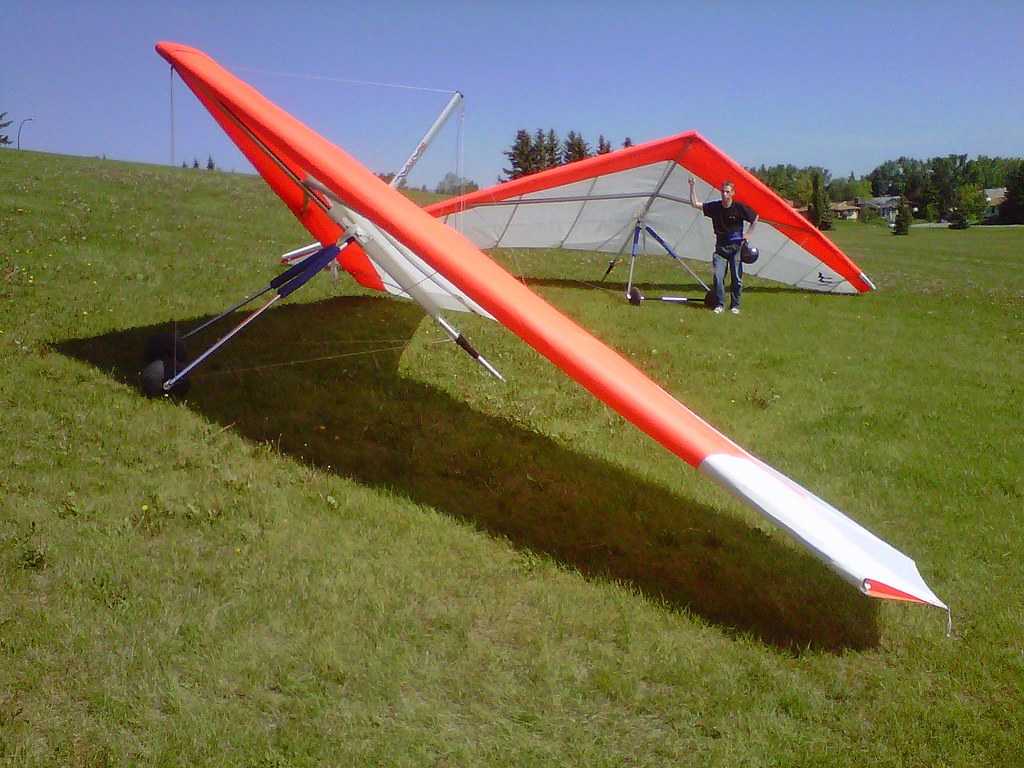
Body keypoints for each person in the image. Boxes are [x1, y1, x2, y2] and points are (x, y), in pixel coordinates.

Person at [688, 178, 758, 314]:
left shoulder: (739, 208)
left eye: (727, 192)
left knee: (736, 279)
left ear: (732, 193)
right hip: (721, 248)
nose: (724, 194)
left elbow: (755, 218)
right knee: (718, 277)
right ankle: (720, 304)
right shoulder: (715, 207)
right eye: (722, 192)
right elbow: (695, 204)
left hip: (736, 248)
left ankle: (735, 305)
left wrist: (748, 234)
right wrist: (692, 187)